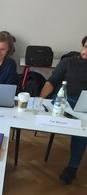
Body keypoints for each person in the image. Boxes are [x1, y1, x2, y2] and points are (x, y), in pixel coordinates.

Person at [40, 35, 87, 184]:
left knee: (83, 129)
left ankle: (72, 168)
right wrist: (40, 99)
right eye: (86, 47)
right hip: (62, 101)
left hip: (84, 106)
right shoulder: (68, 62)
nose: (86, 51)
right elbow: (52, 82)